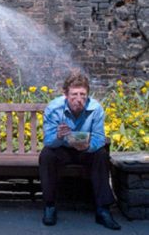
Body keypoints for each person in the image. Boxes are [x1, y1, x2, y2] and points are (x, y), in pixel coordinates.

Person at [39, 72, 121, 230]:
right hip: (62, 149)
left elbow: (99, 137)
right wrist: (58, 136)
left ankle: (103, 210)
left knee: (102, 154)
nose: (79, 99)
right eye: (74, 94)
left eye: (83, 95)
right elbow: (48, 141)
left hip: (86, 151)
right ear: (65, 94)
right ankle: (49, 206)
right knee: (46, 155)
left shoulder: (95, 108)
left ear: (87, 94)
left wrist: (89, 147)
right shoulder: (54, 108)